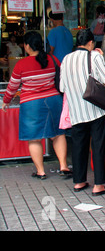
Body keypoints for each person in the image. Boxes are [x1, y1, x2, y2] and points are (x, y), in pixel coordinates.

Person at [2, 31, 71, 179]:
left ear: (27, 46)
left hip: (31, 104)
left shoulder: (21, 64)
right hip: (54, 101)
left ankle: (41, 171)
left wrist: (6, 101)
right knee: (58, 134)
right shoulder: (52, 59)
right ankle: (64, 167)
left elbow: (12, 86)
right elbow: (63, 78)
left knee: (34, 138)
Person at [60, 29, 105, 195]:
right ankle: (98, 185)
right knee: (97, 146)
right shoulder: (94, 56)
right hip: (94, 108)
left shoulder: (66, 59)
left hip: (76, 110)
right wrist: (101, 57)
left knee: (78, 145)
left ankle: (79, 181)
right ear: (91, 43)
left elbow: (62, 87)